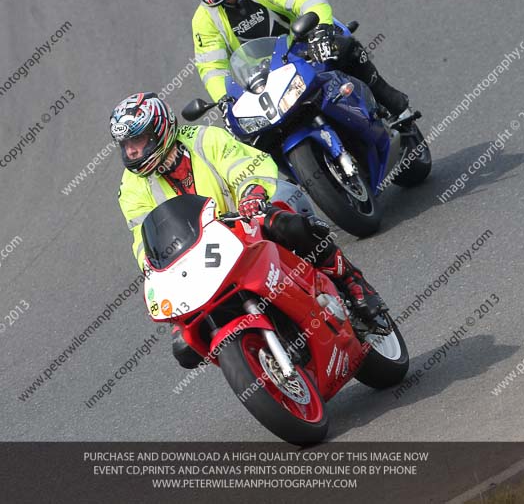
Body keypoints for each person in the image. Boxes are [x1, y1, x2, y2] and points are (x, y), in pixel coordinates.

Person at [113, 92, 388, 368]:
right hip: (196, 258)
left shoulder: (205, 139)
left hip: (245, 220)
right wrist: (152, 266)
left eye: (137, 141)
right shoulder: (131, 187)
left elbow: (242, 166)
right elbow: (142, 237)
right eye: (125, 145)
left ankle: (352, 282)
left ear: (160, 131)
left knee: (290, 226)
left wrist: (251, 192)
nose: (131, 152)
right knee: (185, 346)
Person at [187, 0, 410, 117]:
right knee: (250, 133)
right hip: (264, 79)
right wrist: (224, 99)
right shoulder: (203, 20)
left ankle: (393, 103)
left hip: (307, 46)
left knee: (344, 49)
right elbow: (211, 67)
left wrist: (321, 29)